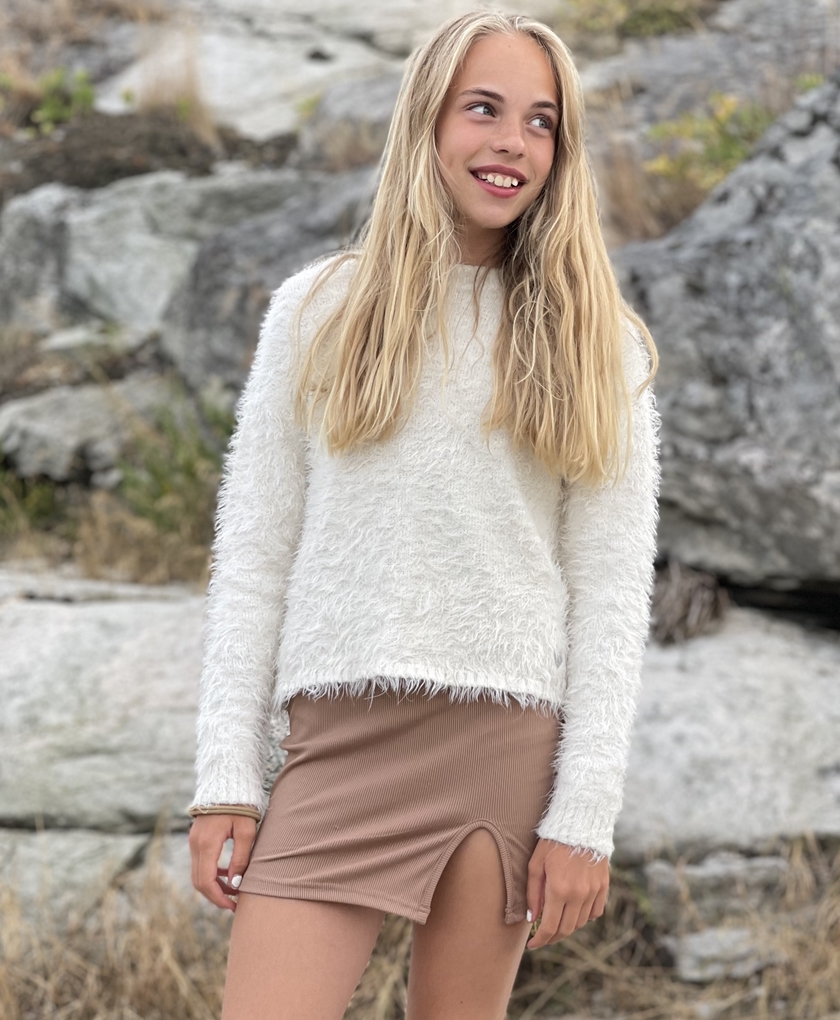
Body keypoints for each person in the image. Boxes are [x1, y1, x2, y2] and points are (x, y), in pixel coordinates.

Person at [187, 9, 661, 1020]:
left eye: (541, 122)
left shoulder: (597, 343)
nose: (512, 143)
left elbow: (613, 590)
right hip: (335, 741)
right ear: (426, 120)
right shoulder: (316, 310)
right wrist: (227, 778)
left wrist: (586, 814)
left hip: (504, 748)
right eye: (483, 109)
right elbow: (256, 554)